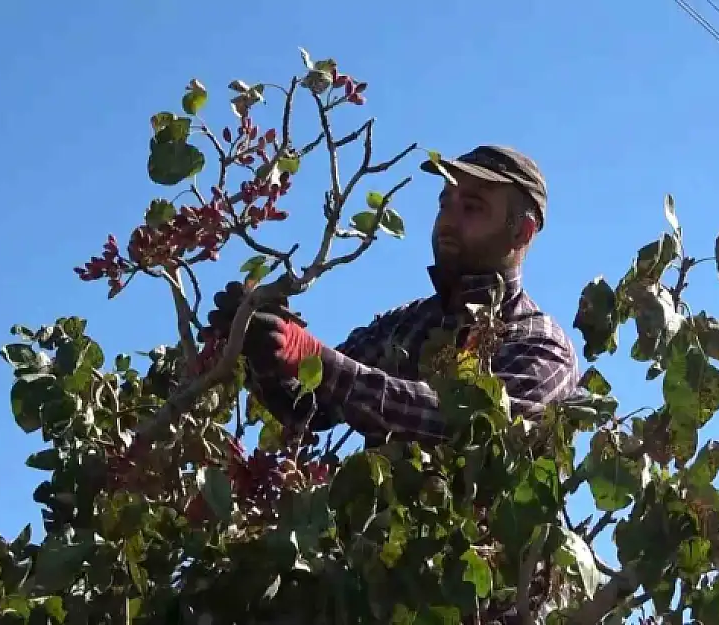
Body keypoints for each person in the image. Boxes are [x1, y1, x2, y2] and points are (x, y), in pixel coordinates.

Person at [206, 145, 581, 446]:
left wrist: (312, 357)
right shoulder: (406, 322)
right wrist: (260, 348)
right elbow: (310, 409)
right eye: (444, 203)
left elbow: (468, 428)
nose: (448, 220)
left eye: (472, 207)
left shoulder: (540, 342)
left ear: (522, 233)